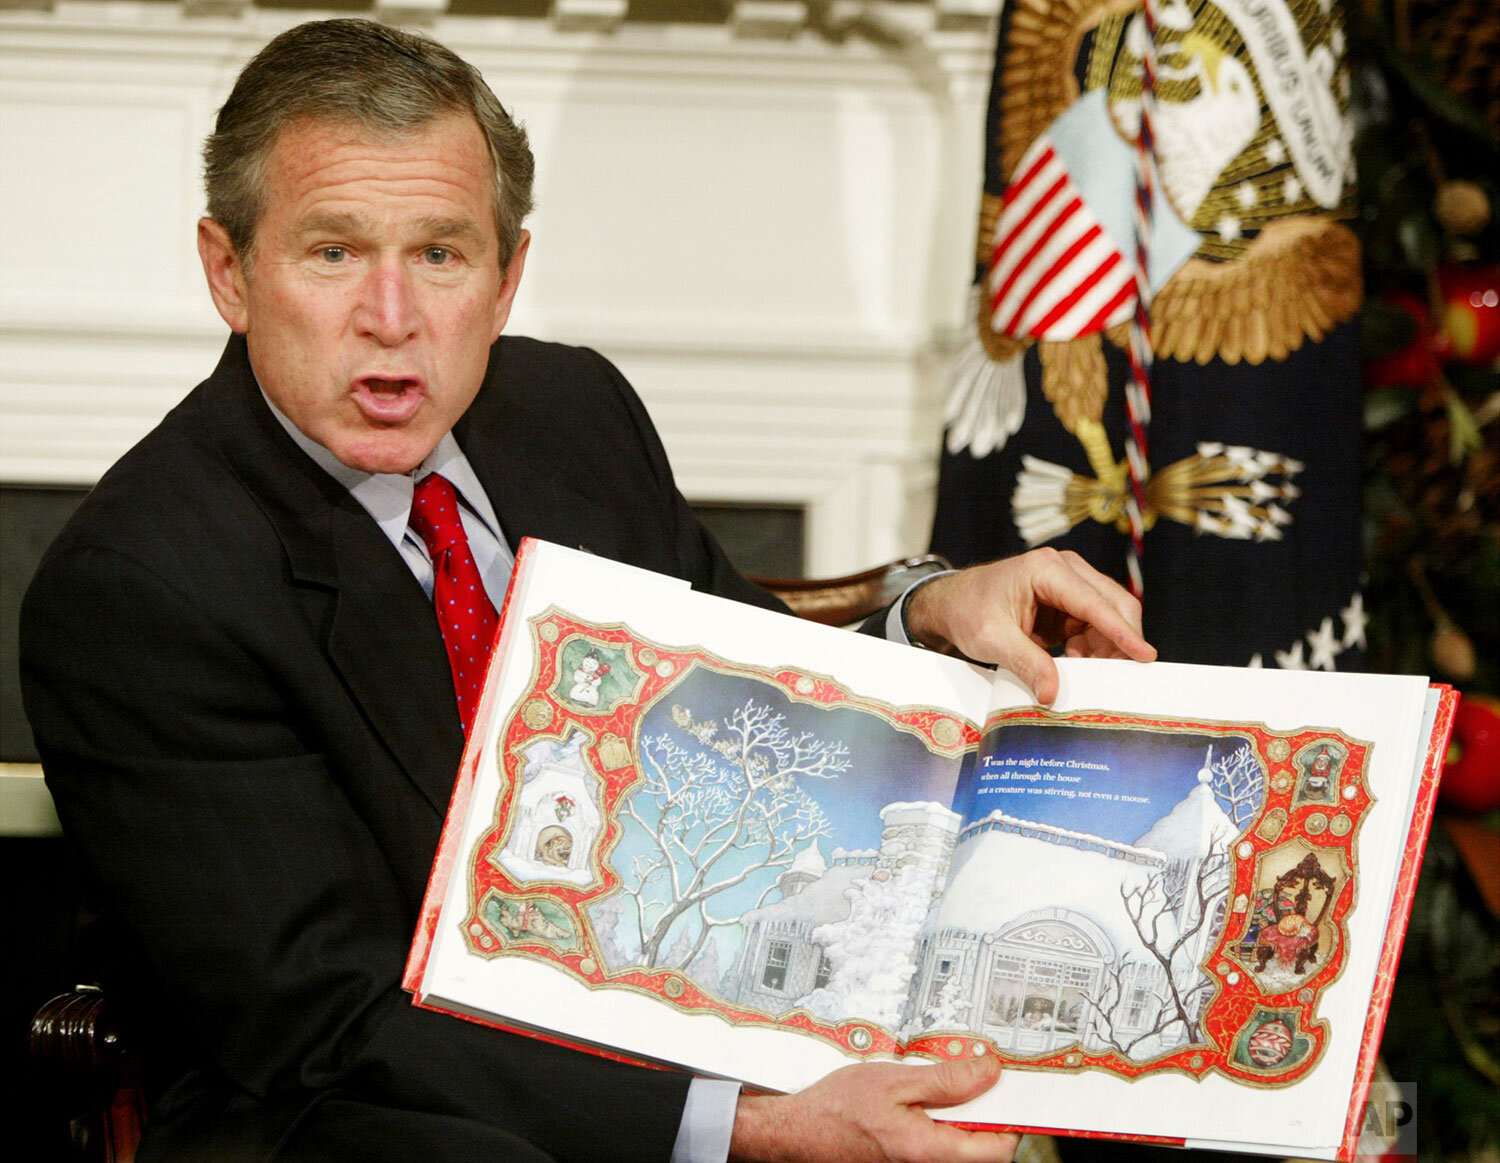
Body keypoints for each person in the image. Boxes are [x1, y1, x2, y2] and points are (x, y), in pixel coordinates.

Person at [19, 18, 1154, 1163]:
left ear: (508, 275)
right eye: (332, 252)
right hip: (351, 1103)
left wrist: (928, 612)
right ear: (230, 271)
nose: (393, 317)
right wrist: (753, 1127)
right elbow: (325, 1021)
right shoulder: (142, 584)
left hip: (673, 1010)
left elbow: (750, 691)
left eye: (442, 254)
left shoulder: (570, 413)